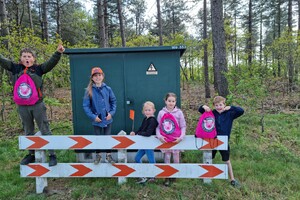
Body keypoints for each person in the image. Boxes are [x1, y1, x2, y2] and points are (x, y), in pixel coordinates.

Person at [0, 43, 65, 166]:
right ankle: (31, 154)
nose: (26, 58)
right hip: (22, 106)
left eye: (29, 56)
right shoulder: (15, 68)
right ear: (20, 58)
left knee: (44, 129)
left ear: (34, 59)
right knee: (28, 130)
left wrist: (58, 53)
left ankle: (52, 154)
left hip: (37, 105)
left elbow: (51, 63)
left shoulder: (39, 69)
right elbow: (3, 61)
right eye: (24, 56)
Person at [198, 96, 244, 187]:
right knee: (209, 158)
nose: (219, 107)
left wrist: (231, 107)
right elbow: (200, 110)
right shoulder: (212, 113)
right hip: (212, 140)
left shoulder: (229, 114)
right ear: (214, 106)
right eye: (216, 105)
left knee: (227, 160)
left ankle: (232, 179)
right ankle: (205, 175)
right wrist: (203, 106)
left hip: (224, 141)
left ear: (224, 105)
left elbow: (241, 111)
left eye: (220, 105)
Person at [83, 67, 117, 164]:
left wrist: (111, 113)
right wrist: (93, 117)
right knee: (97, 138)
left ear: (102, 76)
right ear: (92, 78)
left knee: (107, 137)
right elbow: (86, 106)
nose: (97, 77)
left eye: (99, 75)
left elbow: (113, 102)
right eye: (95, 76)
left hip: (107, 119)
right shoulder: (89, 90)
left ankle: (108, 156)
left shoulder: (108, 89)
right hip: (96, 119)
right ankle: (98, 156)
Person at [156, 93, 186, 186]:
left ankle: (175, 175)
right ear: (165, 101)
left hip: (176, 140)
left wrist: (180, 138)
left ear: (175, 102)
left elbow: (183, 126)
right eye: (169, 101)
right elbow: (158, 127)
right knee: (167, 158)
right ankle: (167, 176)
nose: (171, 103)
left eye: (173, 101)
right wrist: (160, 136)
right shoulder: (161, 113)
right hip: (166, 140)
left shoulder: (179, 113)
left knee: (176, 159)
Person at [130, 101, 158, 184]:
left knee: (151, 160)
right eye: (146, 110)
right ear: (143, 111)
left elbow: (148, 133)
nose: (147, 112)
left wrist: (139, 133)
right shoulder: (145, 119)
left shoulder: (152, 120)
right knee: (137, 158)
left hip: (149, 144)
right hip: (144, 143)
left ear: (153, 110)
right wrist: (135, 133)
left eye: (149, 110)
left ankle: (153, 176)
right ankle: (143, 174)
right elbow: (141, 129)